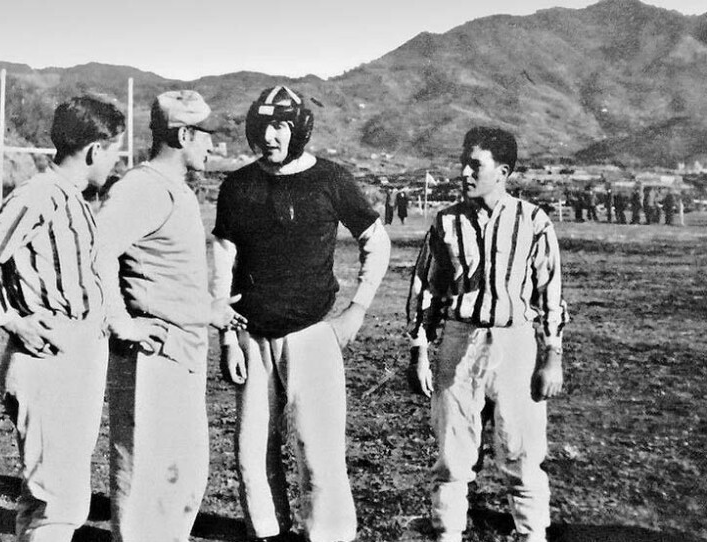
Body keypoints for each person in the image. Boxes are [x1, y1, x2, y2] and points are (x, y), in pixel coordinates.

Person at [212, 85, 391, 542]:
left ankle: (329, 535)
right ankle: (267, 533)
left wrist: (358, 308)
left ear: (299, 130)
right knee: (252, 453)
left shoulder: (331, 179)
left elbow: (376, 240)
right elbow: (224, 257)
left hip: (312, 335)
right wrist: (228, 339)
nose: (271, 136)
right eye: (264, 125)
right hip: (252, 337)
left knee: (318, 450)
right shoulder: (238, 186)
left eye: (281, 126)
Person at [0, 95, 126, 542]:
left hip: (74, 352)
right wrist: (13, 320)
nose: (116, 160)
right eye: (115, 150)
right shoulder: (40, 195)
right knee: (57, 501)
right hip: (51, 357)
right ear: (93, 150)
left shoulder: (71, 198)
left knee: (49, 498)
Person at [95, 90, 244, 542]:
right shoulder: (142, 188)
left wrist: (205, 311)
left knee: (177, 483)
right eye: (206, 138)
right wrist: (121, 320)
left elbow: (166, 276)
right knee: (146, 486)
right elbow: (95, 253)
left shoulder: (172, 189)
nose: (212, 147)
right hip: (151, 358)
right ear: (182, 135)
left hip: (178, 355)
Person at [407, 127, 568, 542]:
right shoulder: (446, 223)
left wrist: (553, 353)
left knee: (522, 452)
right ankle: (448, 535)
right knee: (452, 455)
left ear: (503, 171)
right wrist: (419, 350)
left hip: (515, 342)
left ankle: (533, 536)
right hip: (460, 339)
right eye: (464, 162)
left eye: (475, 165)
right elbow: (426, 289)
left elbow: (549, 290)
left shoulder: (533, 221)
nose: (464, 172)